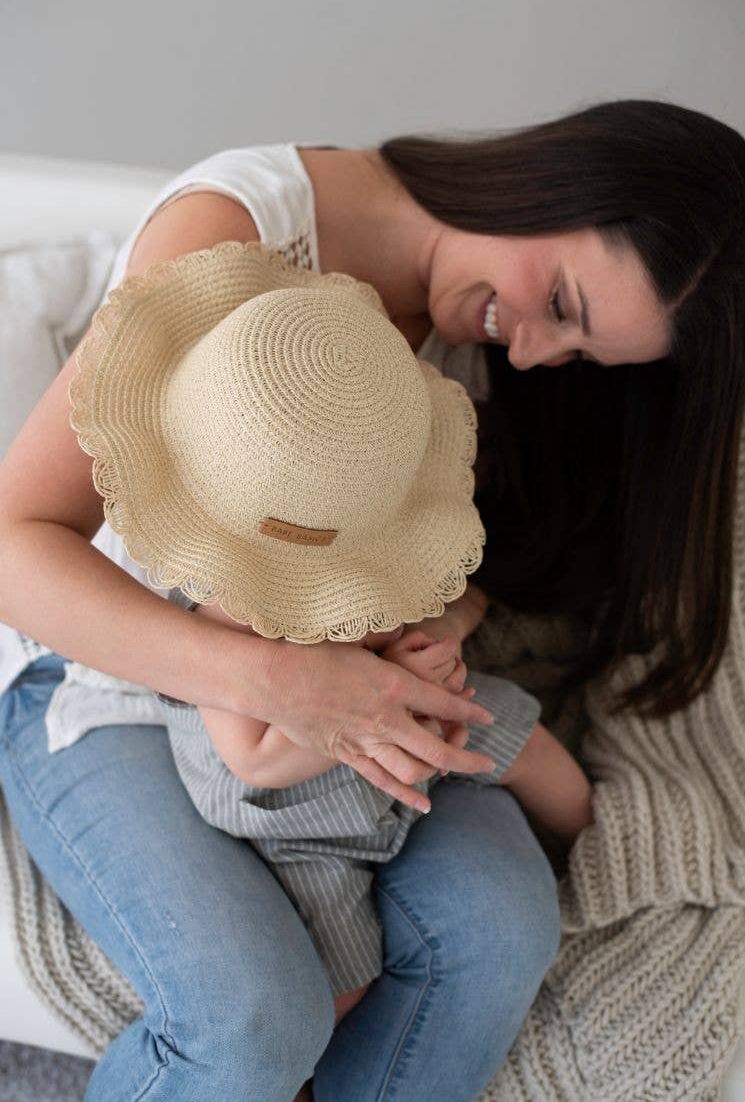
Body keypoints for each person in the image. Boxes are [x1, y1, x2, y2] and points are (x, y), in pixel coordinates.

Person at [0, 96, 744, 1102]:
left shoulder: (485, 338)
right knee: (254, 1017)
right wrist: (285, 681)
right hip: (118, 679)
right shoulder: (237, 238)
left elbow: (476, 569)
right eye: (562, 308)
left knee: (492, 930)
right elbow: (16, 547)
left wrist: (433, 626)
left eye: (575, 354)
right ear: (556, 184)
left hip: (363, 682)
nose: (531, 354)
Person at [64, 247, 592, 1040]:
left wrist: (429, 649)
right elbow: (253, 761)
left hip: (406, 728)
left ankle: (589, 840)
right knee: (338, 983)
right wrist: (366, 707)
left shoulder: (374, 547)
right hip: (298, 817)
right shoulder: (224, 614)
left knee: (516, 729)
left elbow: (455, 601)